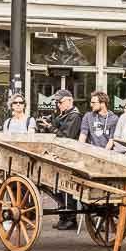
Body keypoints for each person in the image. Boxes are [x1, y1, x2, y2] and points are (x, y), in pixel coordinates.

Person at [38, 89, 81, 229]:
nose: (58, 105)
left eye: (60, 102)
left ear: (70, 100)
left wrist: (50, 127)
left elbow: (67, 137)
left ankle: (70, 218)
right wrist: (47, 124)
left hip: (69, 156)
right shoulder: (63, 114)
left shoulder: (74, 116)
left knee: (67, 187)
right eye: (57, 102)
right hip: (58, 155)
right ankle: (63, 216)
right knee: (58, 186)